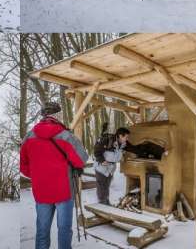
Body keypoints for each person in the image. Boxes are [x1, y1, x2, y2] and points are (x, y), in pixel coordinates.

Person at [20, 102, 88, 249]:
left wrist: (39, 175)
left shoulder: (29, 137)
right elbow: (82, 159)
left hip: (41, 191)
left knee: (42, 230)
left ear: (43, 116)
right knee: (64, 230)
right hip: (64, 191)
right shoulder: (66, 136)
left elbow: (23, 165)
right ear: (58, 115)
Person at [93, 126, 130, 205]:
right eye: (126, 137)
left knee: (106, 186)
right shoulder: (107, 140)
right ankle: (102, 205)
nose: (127, 138)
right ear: (120, 136)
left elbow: (132, 148)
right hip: (101, 168)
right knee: (102, 187)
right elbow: (96, 151)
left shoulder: (123, 144)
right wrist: (102, 160)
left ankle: (106, 203)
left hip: (110, 169)